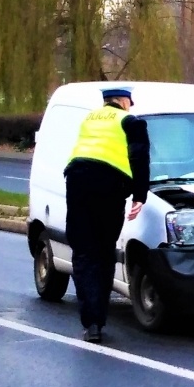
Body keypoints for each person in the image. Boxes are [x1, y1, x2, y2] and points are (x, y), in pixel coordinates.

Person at [64, 86, 150, 343]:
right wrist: (139, 195)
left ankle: (89, 321)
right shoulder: (130, 121)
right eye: (129, 103)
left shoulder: (89, 119)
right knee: (103, 253)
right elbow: (139, 158)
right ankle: (98, 320)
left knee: (83, 253)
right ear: (124, 101)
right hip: (108, 188)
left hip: (77, 183)